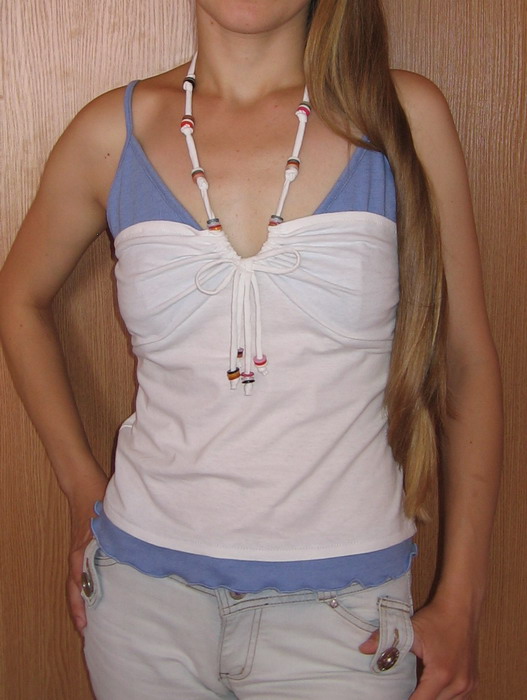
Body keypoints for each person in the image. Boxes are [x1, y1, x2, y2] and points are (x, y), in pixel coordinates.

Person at [0, 0, 502, 698]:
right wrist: (81, 488)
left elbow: (465, 363)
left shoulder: (401, 117)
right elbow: (19, 299)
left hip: (345, 618)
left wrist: (462, 601)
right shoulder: (113, 132)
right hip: (139, 603)